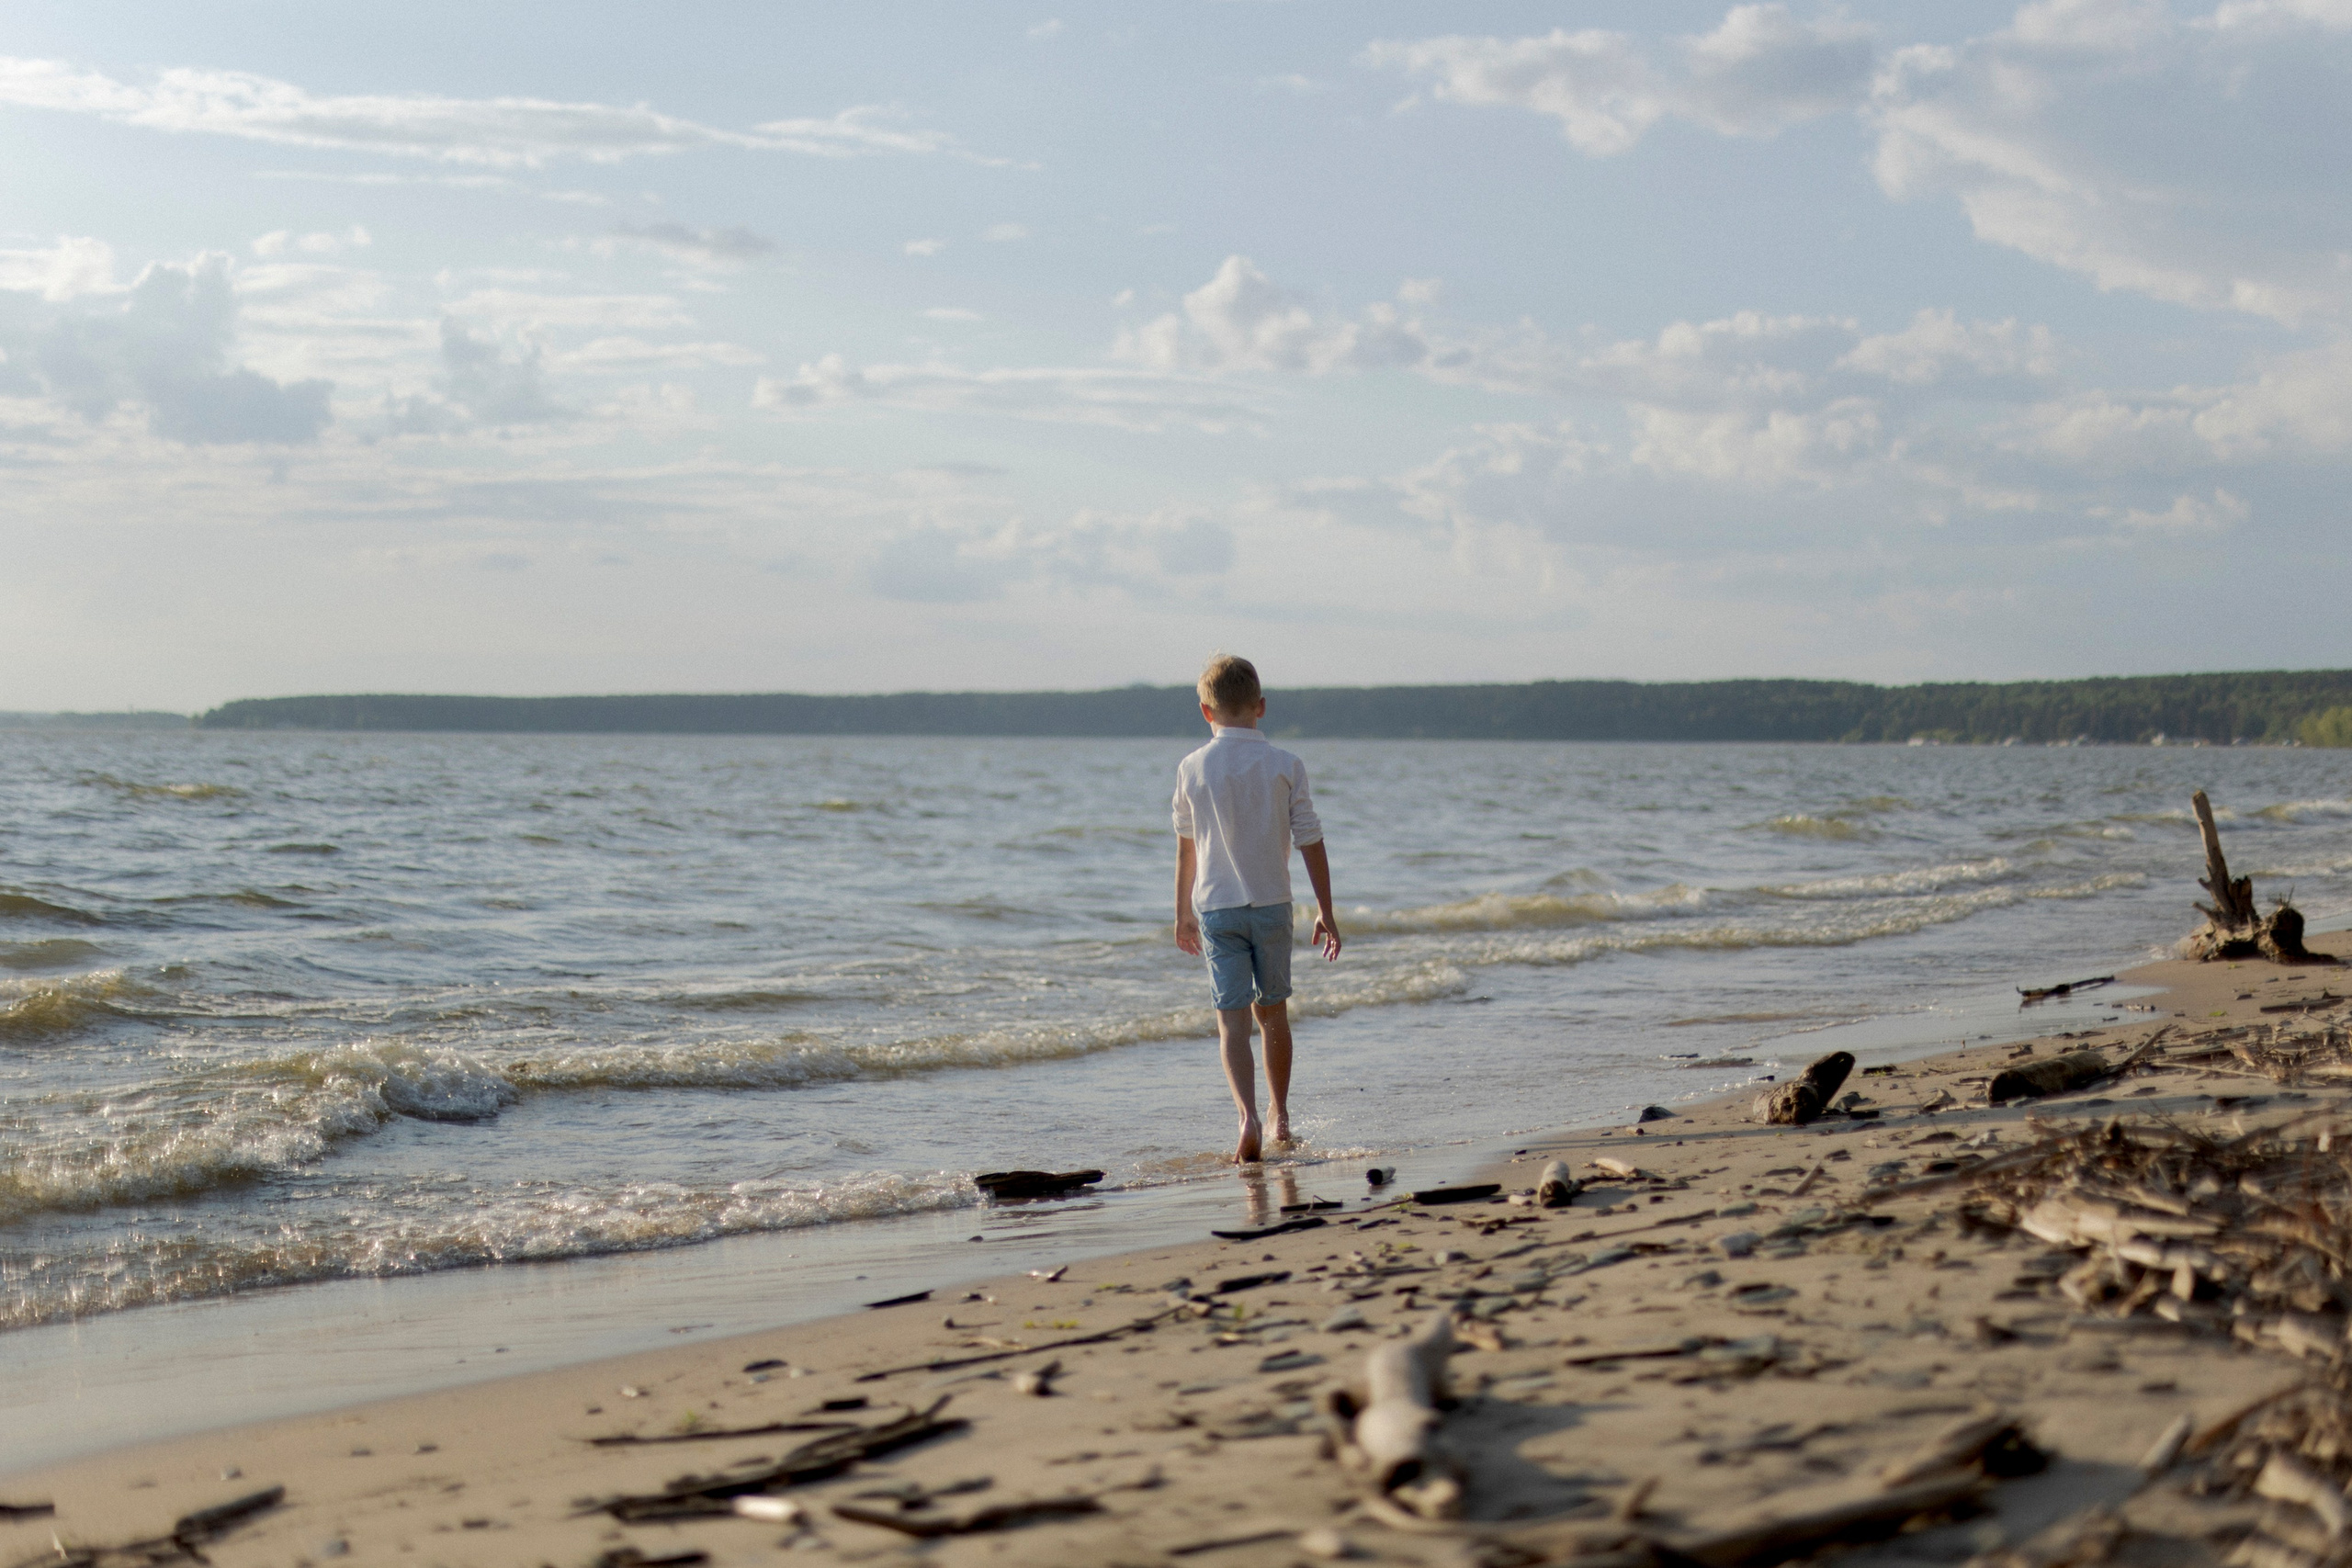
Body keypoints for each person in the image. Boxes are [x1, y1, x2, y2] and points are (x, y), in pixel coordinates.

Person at [1170, 654, 1341, 1164]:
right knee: (1274, 1015)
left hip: (1217, 910)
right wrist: (1326, 911)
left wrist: (1181, 913)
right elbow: (1311, 840)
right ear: (1260, 707)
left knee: (1231, 1022)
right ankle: (1280, 1115)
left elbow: (1187, 847)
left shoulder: (1192, 766)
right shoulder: (1286, 764)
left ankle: (1245, 1115)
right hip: (1272, 906)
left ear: (1205, 711)